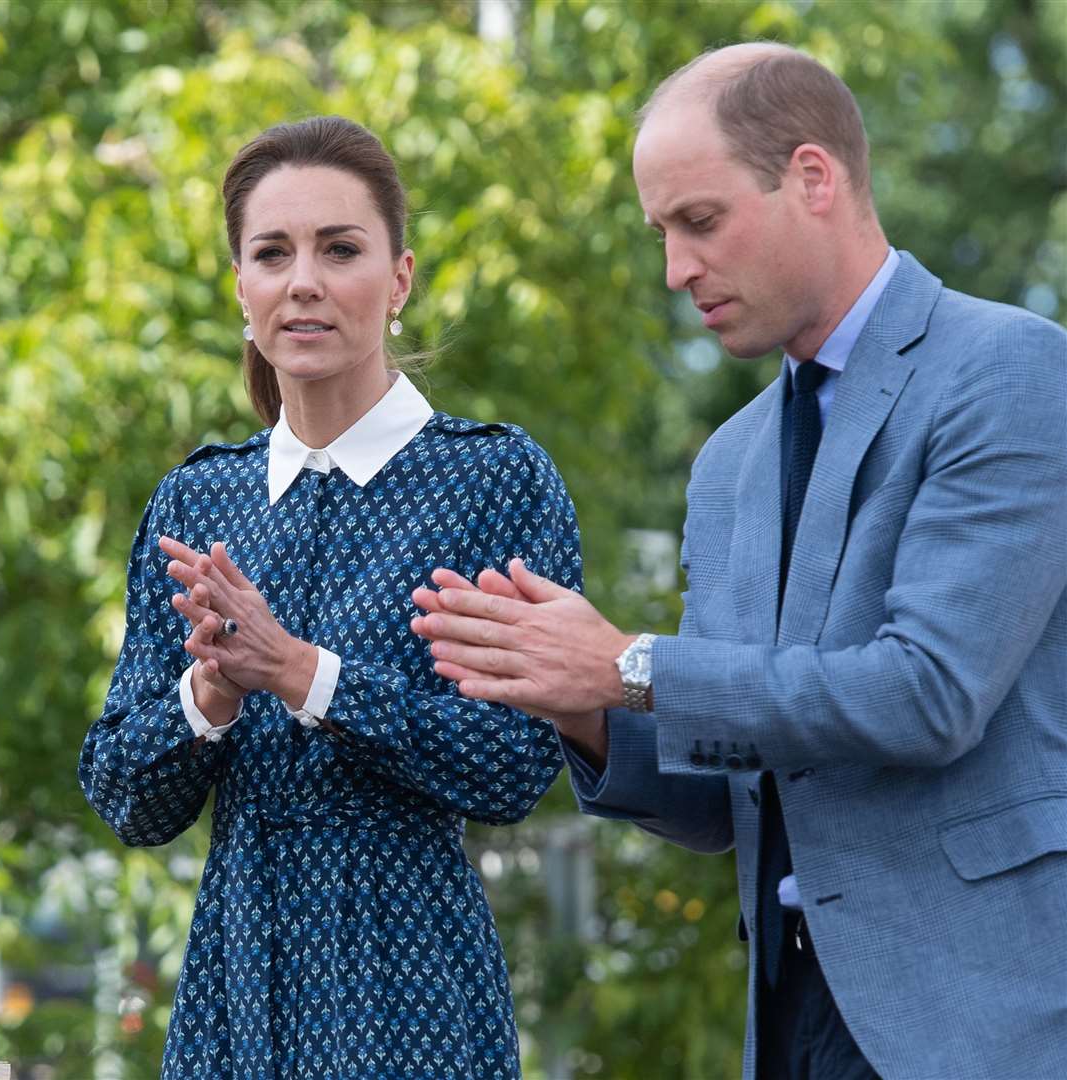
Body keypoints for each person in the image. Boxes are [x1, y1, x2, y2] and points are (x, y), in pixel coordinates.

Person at [411, 43, 1067, 1080]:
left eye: (700, 222)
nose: (676, 271)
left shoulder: (1011, 370)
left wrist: (631, 666)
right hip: (789, 1018)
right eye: (661, 233)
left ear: (813, 177)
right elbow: (736, 799)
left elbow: (929, 695)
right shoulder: (731, 461)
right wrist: (573, 701)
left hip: (983, 1024)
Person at [79, 115, 582, 1078]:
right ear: (242, 290)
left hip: (413, 992)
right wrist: (211, 699)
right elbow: (124, 796)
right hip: (234, 988)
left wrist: (306, 675)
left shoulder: (493, 481)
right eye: (272, 253)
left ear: (399, 280)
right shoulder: (198, 498)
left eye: (339, 249)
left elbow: (518, 769)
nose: (302, 280)